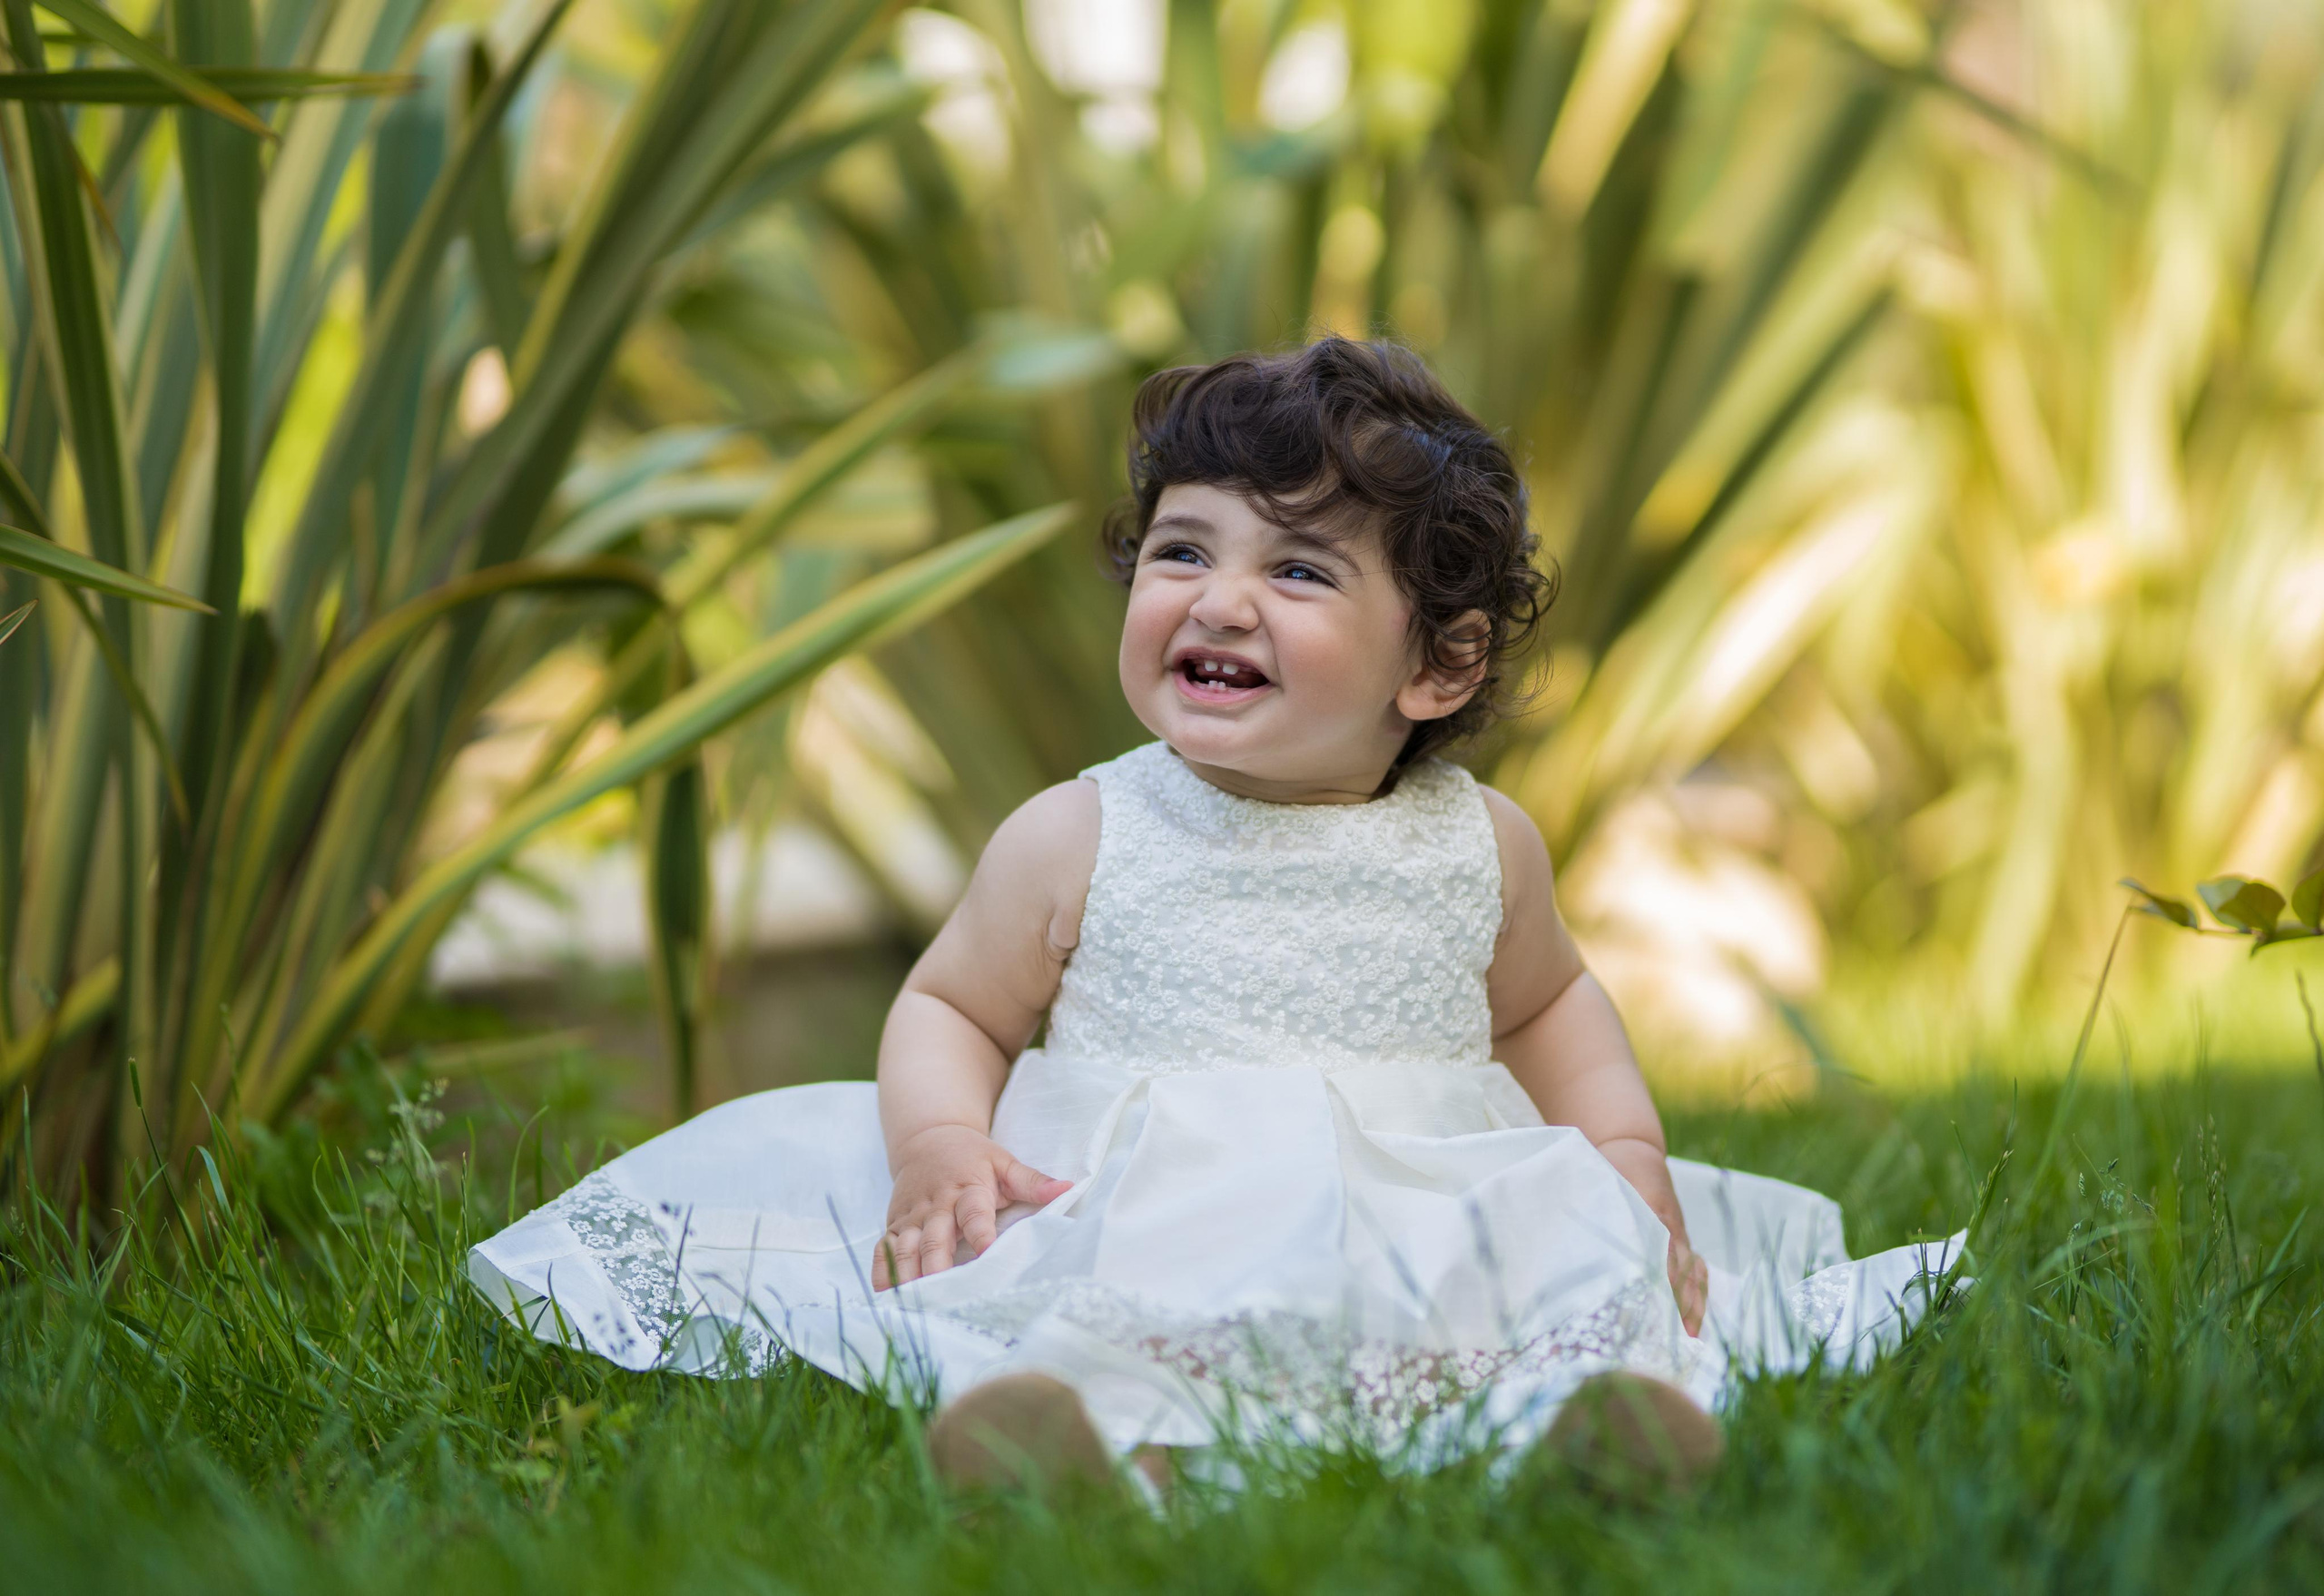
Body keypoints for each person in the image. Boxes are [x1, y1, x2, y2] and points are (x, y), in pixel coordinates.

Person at [470, 339, 1959, 1495]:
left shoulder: (1482, 847)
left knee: (1539, 1271)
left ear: (1434, 666)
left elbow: (1550, 1005)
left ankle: (1582, 1420)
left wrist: (1627, 1157)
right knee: (1139, 1290)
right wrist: (939, 1146)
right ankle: (1088, 1446)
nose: (1219, 601)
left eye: (1297, 570)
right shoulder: (1082, 829)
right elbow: (952, 1007)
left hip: (1419, 1200)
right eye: (1184, 551)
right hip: (1144, 1193)